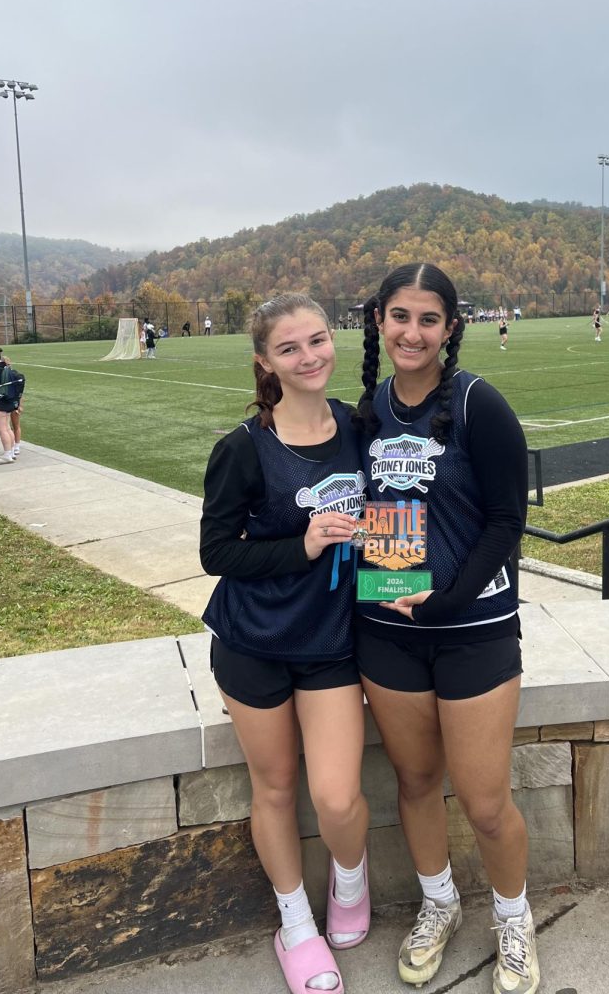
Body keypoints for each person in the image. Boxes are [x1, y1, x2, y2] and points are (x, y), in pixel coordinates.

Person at [355, 264, 537, 994]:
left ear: (450, 328)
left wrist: (447, 601)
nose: (412, 332)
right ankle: (439, 905)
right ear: (378, 321)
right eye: (400, 316)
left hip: (474, 628)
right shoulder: (367, 410)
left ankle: (514, 918)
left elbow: (507, 522)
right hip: (386, 629)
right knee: (417, 780)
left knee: (487, 802)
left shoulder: (477, 404)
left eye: (428, 319)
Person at [200, 293, 370, 994]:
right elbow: (217, 554)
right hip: (255, 641)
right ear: (266, 363)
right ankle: (295, 924)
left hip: (331, 640)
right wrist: (300, 545)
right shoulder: (243, 449)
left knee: (335, 798)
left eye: (319, 340)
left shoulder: (362, 430)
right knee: (274, 786)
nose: (310, 357)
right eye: (291, 348)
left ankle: (351, 882)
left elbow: (404, 508)